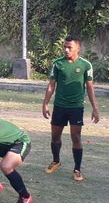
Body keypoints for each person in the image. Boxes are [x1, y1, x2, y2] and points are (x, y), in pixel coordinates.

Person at [42, 36, 99, 181]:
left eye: (70, 47)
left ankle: (77, 169)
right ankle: (56, 161)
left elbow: (90, 87)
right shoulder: (57, 64)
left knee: (76, 137)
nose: (66, 50)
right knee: (55, 136)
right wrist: (45, 104)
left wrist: (95, 108)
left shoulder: (86, 65)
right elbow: (51, 85)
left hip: (76, 107)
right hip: (59, 106)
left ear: (78, 48)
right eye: (65, 47)